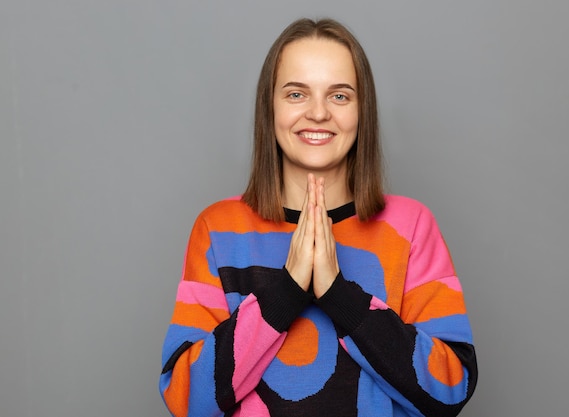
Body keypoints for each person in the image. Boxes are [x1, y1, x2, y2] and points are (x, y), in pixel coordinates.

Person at [159, 18, 477, 417]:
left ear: (363, 111)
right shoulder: (218, 229)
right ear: (269, 106)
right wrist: (285, 292)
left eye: (340, 96)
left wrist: (339, 296)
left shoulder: (411, 226)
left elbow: (451, 388)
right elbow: (186, 400)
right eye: (296, 93)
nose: (318, 112)